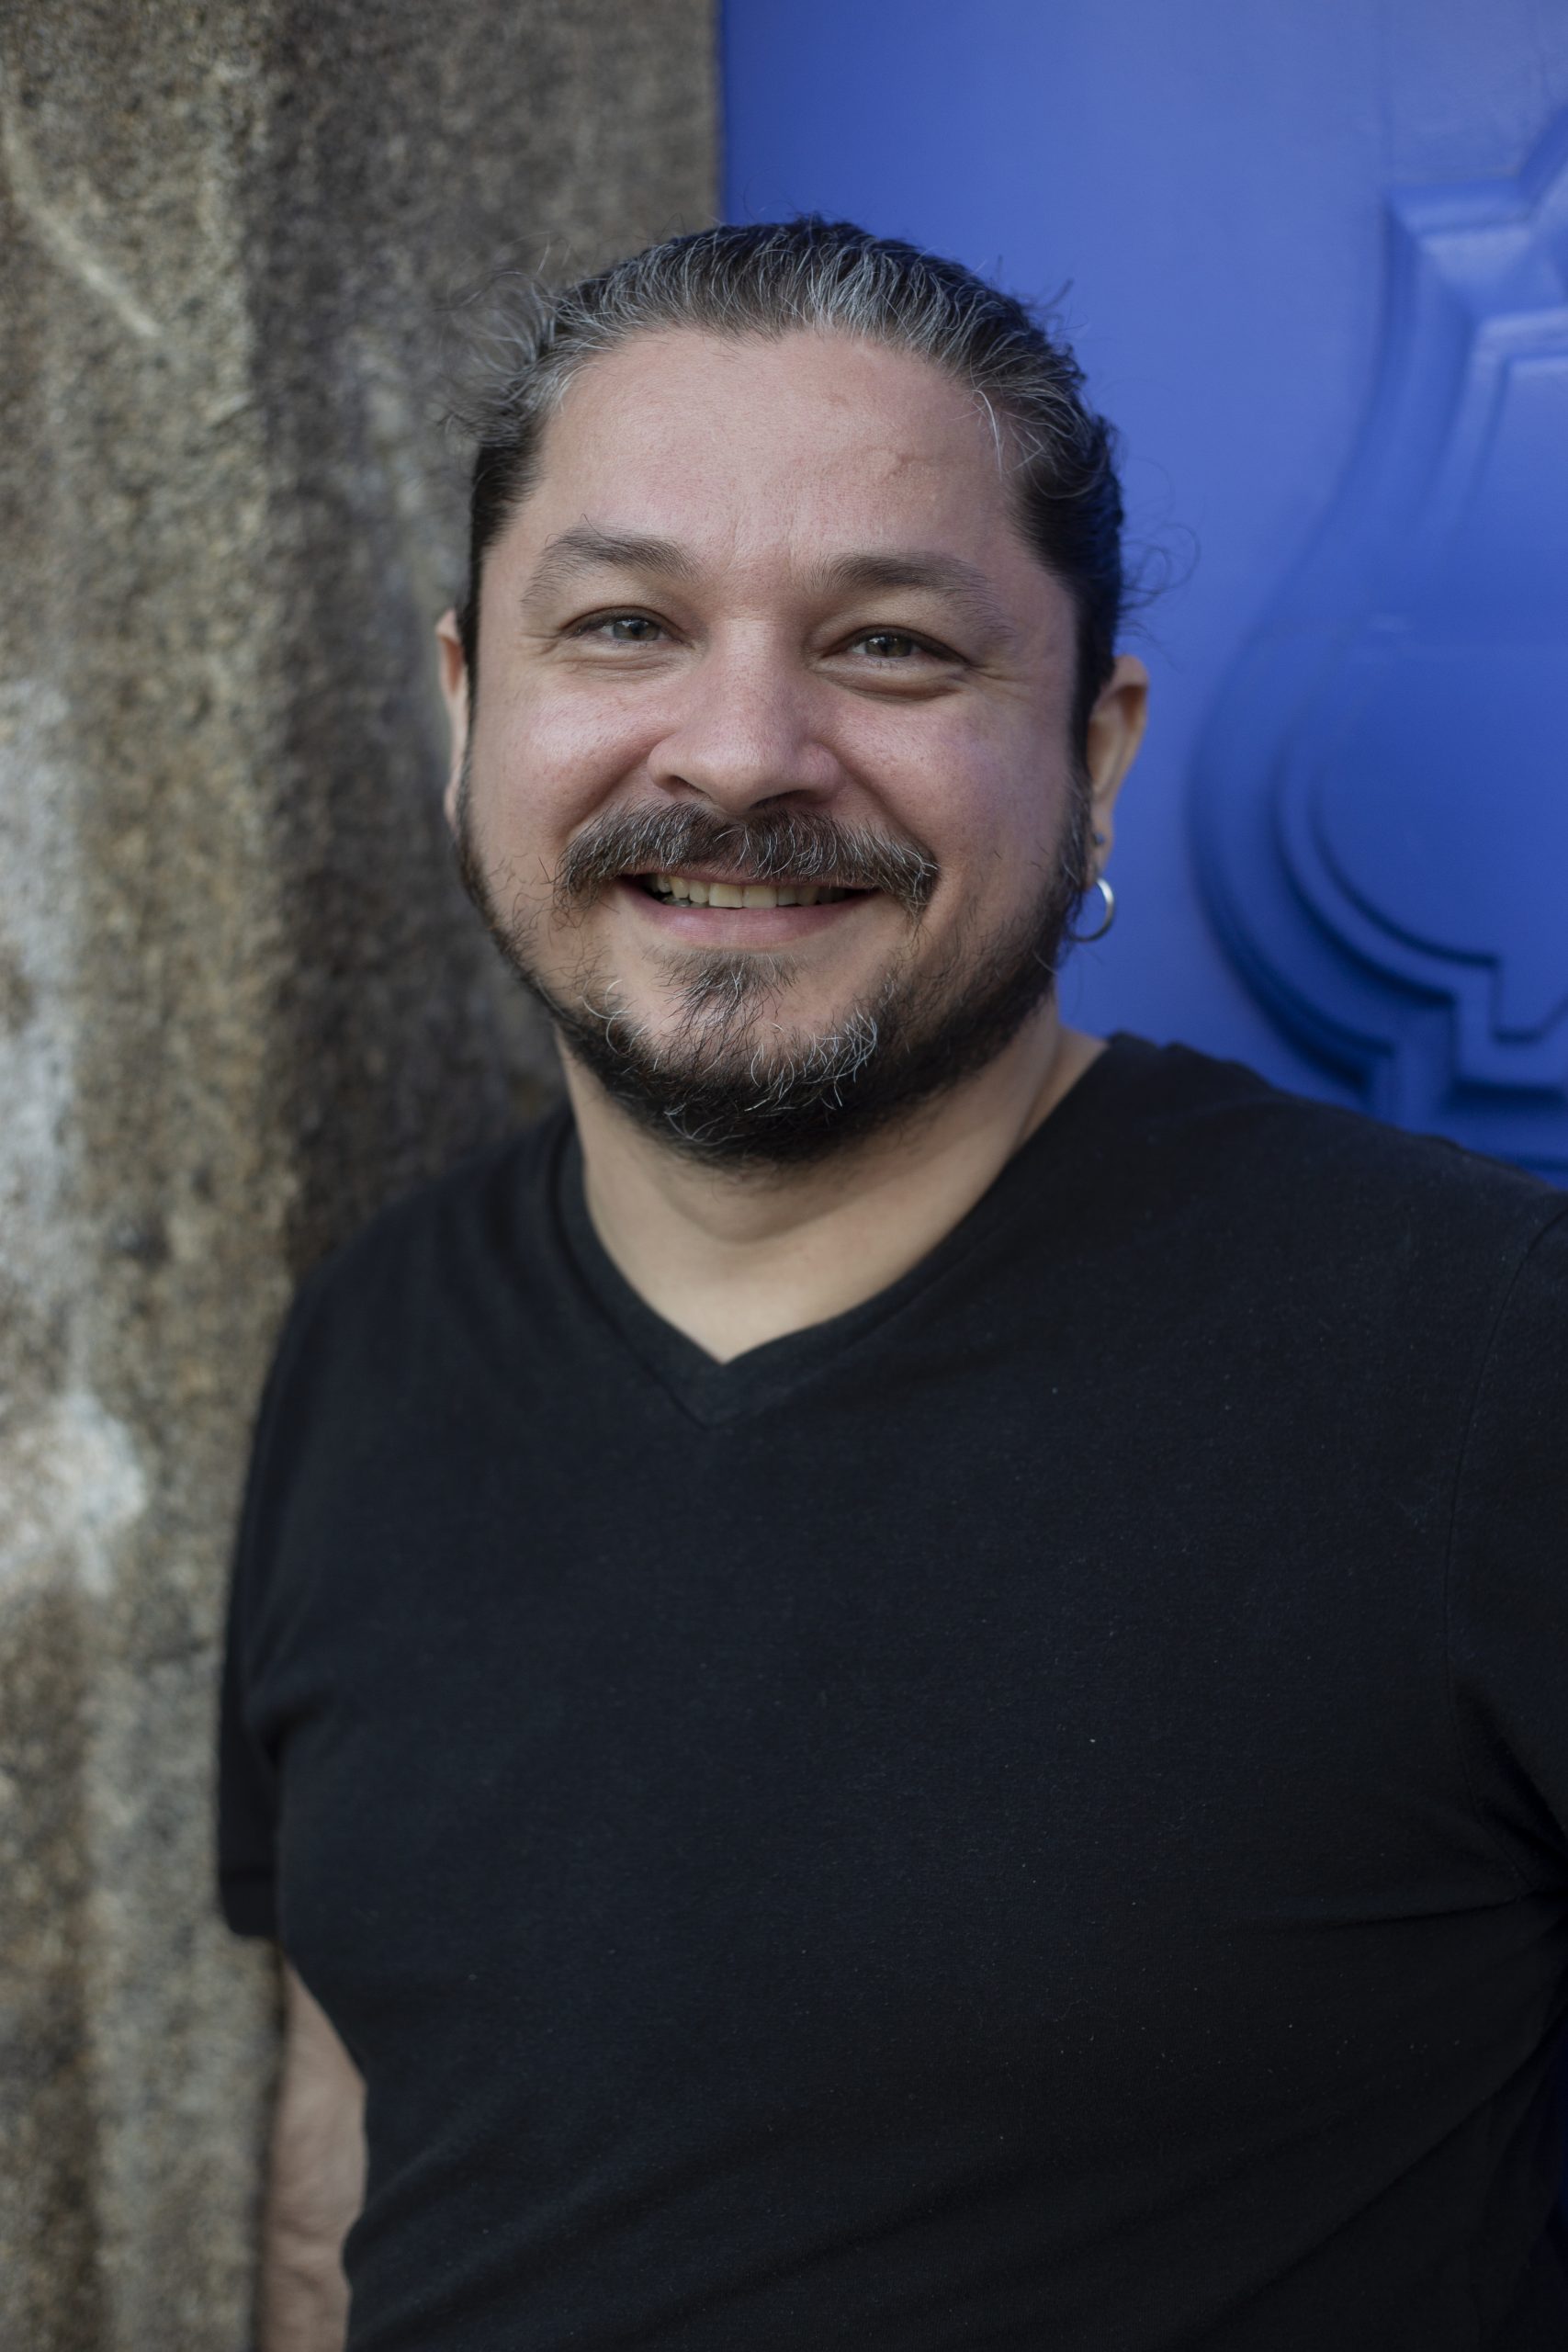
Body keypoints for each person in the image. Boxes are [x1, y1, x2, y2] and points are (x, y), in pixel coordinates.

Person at [218, 219, 1568, 2352]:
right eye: (625, 623)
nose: (740, 753)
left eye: (888, 647)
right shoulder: (369, 1337)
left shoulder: (1484, 1347)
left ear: (1094, 749)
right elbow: (356, 2147)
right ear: (466, 701)